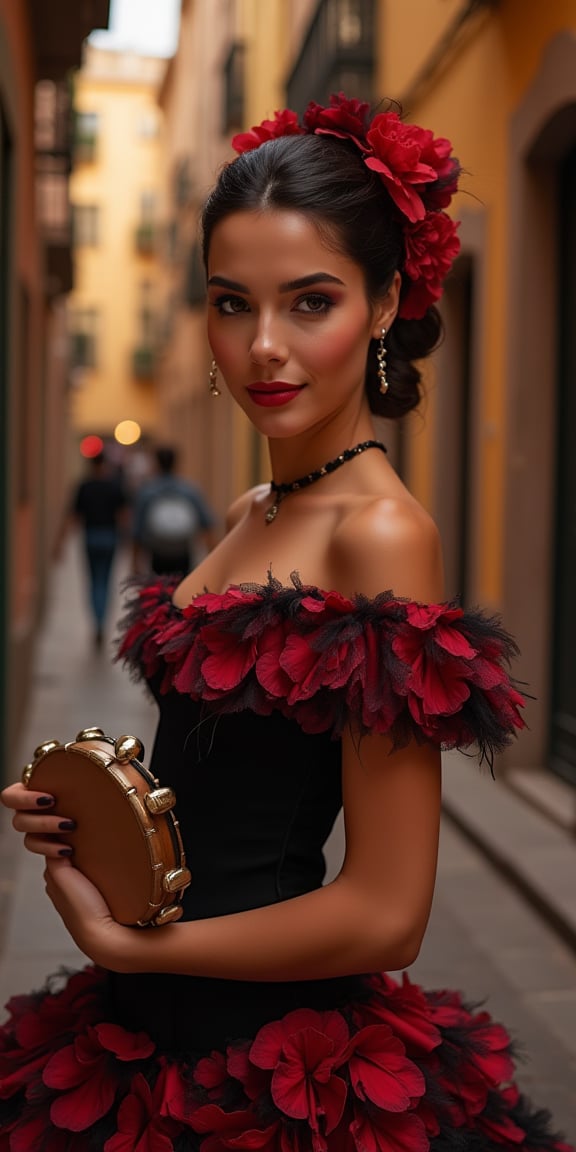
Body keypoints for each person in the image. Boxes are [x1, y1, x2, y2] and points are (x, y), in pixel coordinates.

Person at [1, 95, 572, 1151]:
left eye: (311, 301)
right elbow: (225, 788)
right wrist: (88, 822)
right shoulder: (245, 514)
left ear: (390, 299)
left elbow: (389, 913)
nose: (263, 348)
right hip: (142, 1040)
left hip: (275, 1069)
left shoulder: (382, 535)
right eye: (232, 303)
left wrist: (137, 951)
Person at [57, 450, 128, 649]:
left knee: (93, 581)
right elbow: (124, 516)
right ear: (105, 464)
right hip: (110, 537)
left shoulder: (84, 486)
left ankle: (96, 621)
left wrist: (61, 543)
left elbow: (73, 515)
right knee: (105, 580)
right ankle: (102, 621)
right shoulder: (114, 487)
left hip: (90, 537)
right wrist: (129, 542)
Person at [131, 444, 218, 576]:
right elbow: (206, 523)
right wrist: (213, 556)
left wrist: (135, 562)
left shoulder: (148, 491)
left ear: (156, 463)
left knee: (158, 588)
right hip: (183, 551)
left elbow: (137, 529)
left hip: (158, 552)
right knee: (181, 586)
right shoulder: (189, 489)